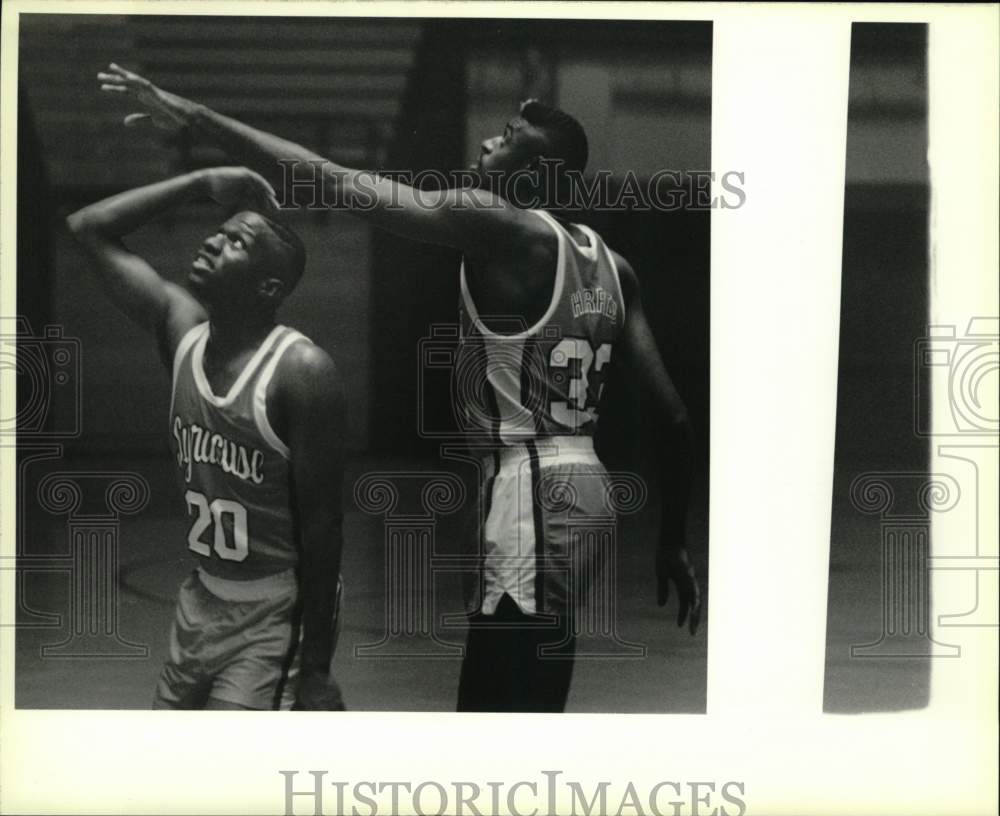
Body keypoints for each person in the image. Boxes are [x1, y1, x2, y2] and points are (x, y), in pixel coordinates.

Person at [96, 64, 701, 712]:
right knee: (536, 685)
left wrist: (199, 119)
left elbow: (333, 180)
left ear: (536, 175)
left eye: (507, 136)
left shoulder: (497, 224)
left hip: (530, 488)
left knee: (498, 706)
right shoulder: (617, 267)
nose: (488, 144)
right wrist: (670, 542)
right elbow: (673, 420)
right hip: (586, 488)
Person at [66, 166, 347, 710]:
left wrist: (316, 668)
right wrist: (200, 182)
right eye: (218, 231)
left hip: (273, 611)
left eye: (237, 242)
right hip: (200, 600)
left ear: (268, 287)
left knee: (227, 777)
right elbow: (87, 226)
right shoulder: (183, 335)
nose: (214, 240)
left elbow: (324, 527)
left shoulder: (302, 371)